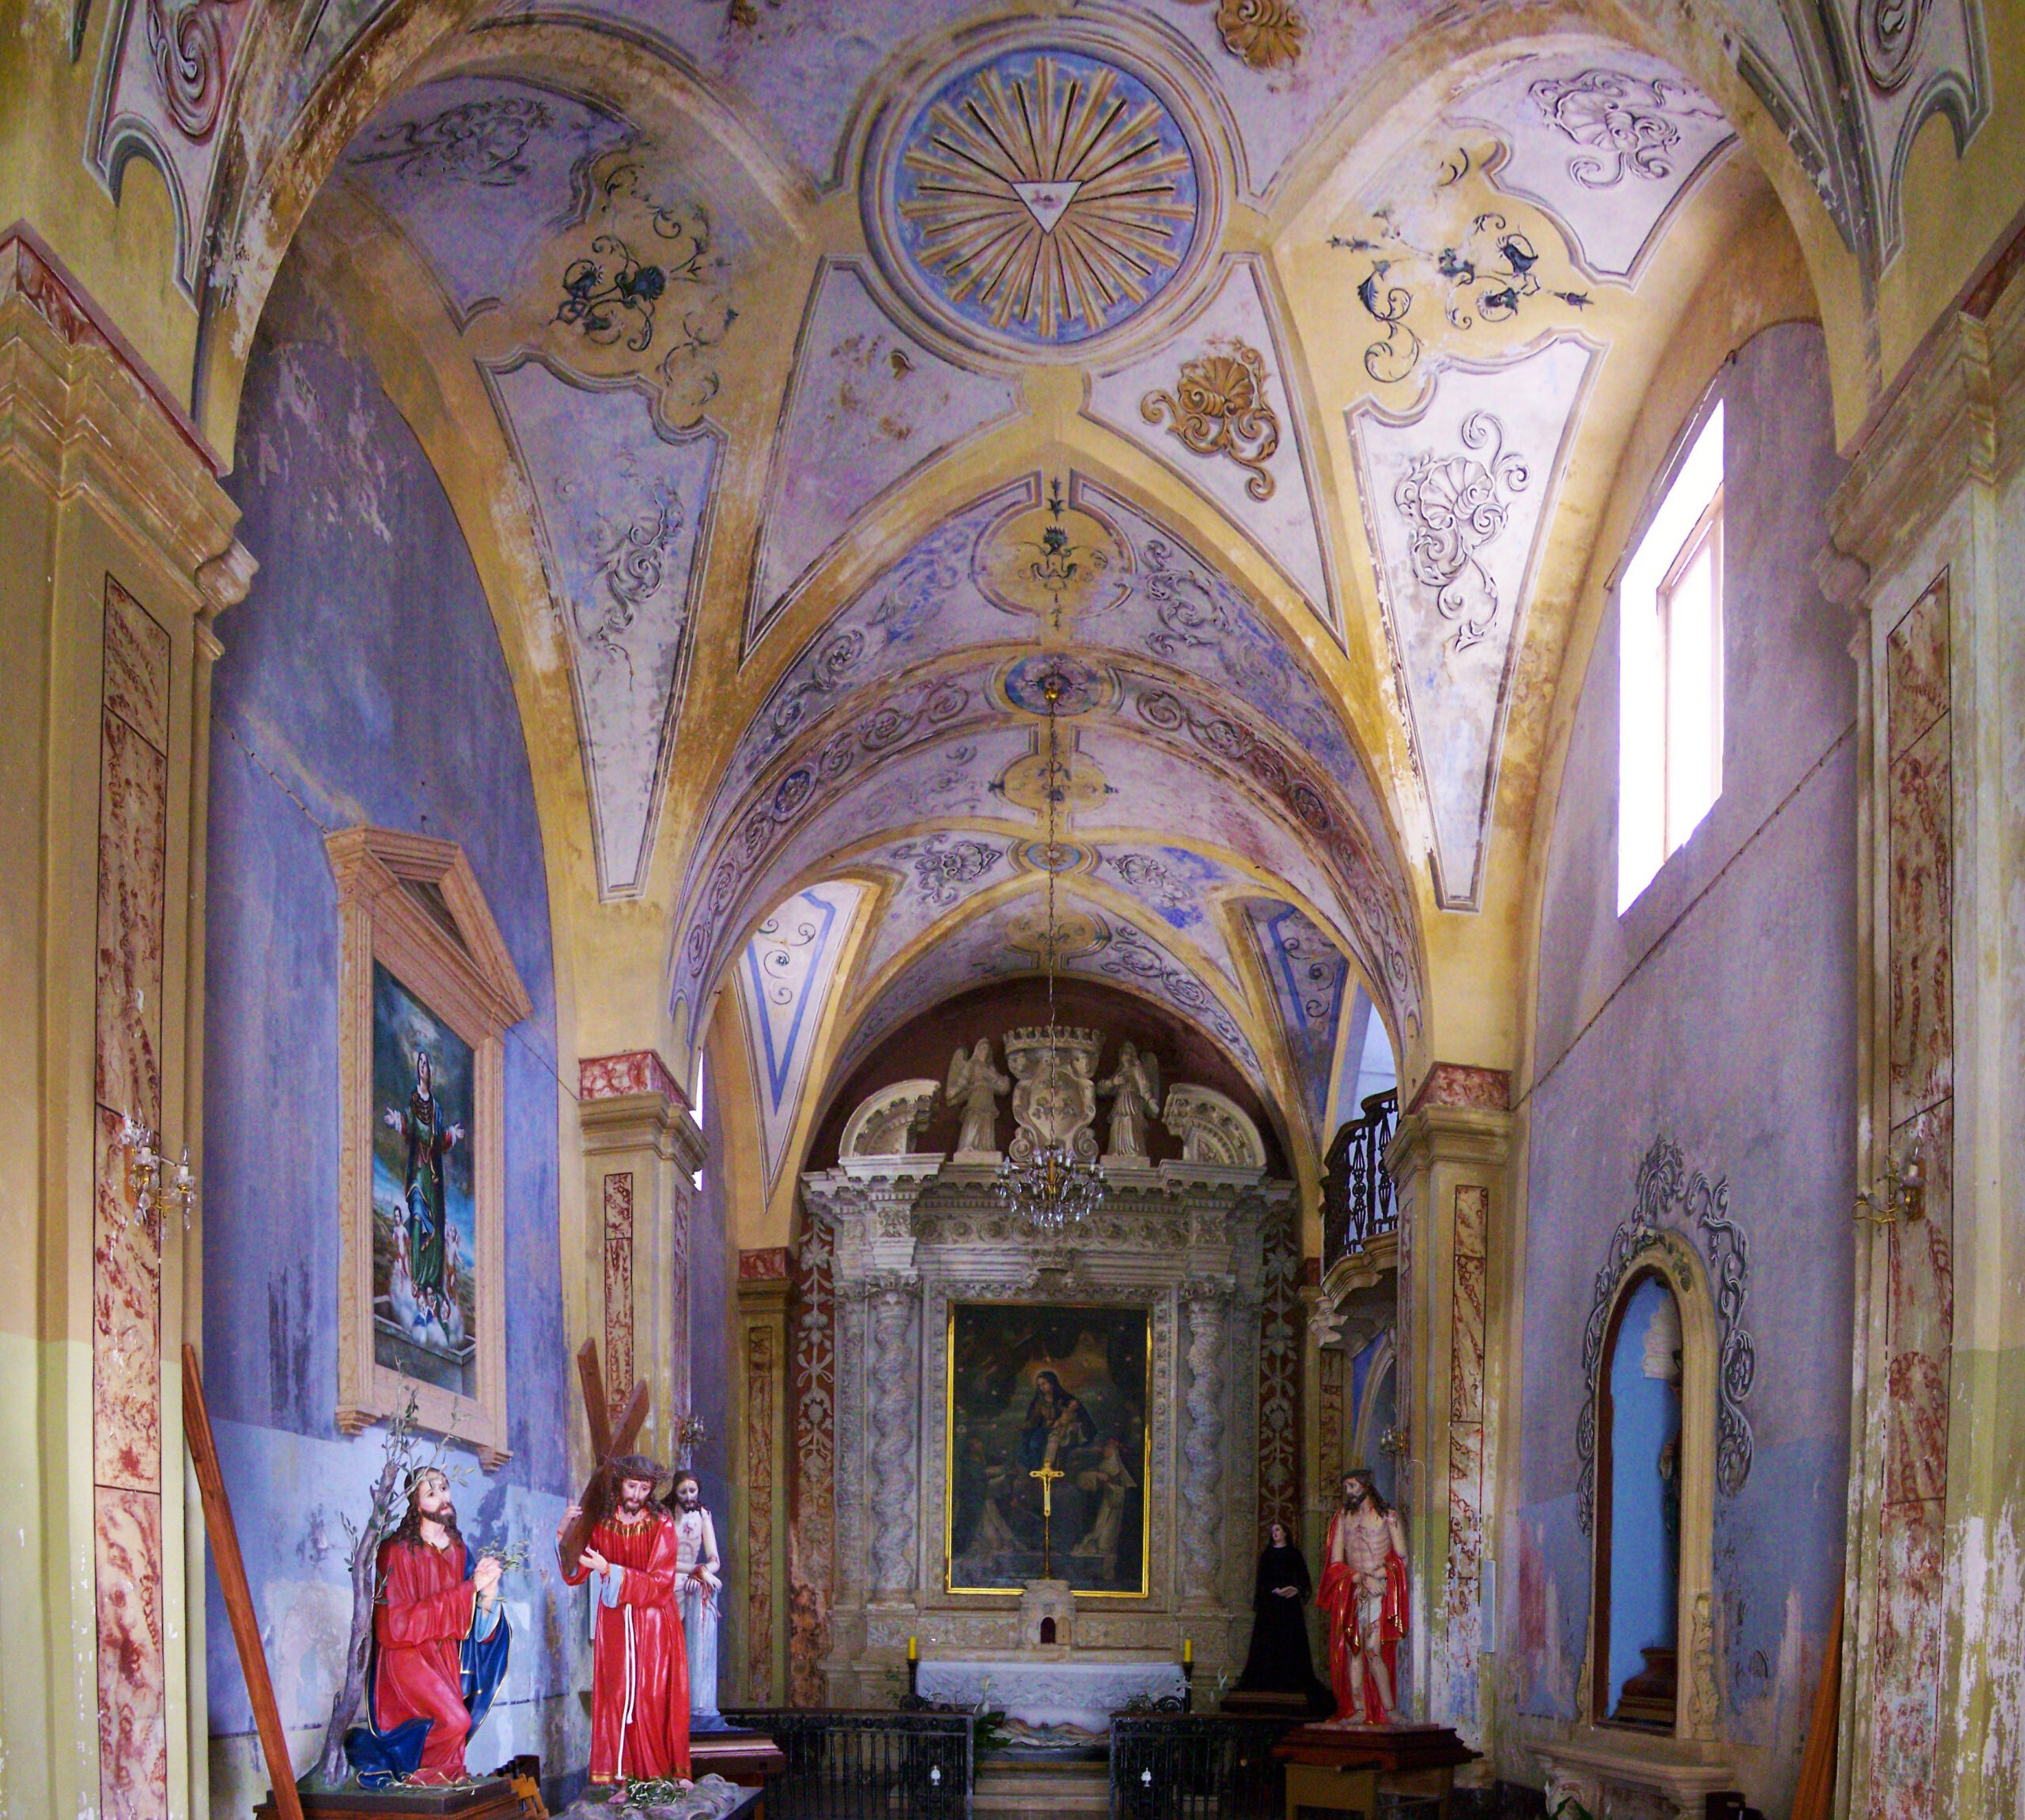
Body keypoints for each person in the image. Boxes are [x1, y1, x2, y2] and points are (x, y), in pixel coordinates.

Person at [345, 1466, 510, 1786]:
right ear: (416, 1505)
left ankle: (439, 1782)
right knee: (455, 1720)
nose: (443, 1498)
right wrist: (468, 1590)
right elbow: (394, 1626)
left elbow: (477, 1625)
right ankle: (416, 1778)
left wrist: (488, 1592)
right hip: (407, 1657)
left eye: (445, 1488)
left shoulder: (459, 1550)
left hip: (444, 1656)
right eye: (431, 1493)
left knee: (455, 1727)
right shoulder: (396, 1551)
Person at [559, 1455, 692, 1785]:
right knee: (618, 1694)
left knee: (648, 1696)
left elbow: (661, 1583)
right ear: (620, 1484)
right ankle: (624, 1777)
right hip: (616, 1622)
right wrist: (565, 1530)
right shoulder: (602, 1522)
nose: (636, 1494)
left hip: (653, 1623)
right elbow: (575, 1570)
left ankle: (656, 1777)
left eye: (644, 1488)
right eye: (631, 1486)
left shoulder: (660, 1524)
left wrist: (610, 1571)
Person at [1318, 1469, 1408, 1723]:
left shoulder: (1388, 1518)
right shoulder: (1342, 1518)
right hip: (1354, 1589)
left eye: (1353, 1486)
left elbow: (1402, 1557)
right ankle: (1359, 1710)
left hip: (1378, 1589)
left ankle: (1389, 1710)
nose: (1349, 1492)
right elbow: (1336, 1563)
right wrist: (1360, 1578)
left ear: (1367, 1486)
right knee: (1353, 1649)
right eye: (1346, 1487)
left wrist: (1379, 1575)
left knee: (1372, 1648)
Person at [383, 1049, 463, 1322]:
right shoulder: (414, 1100)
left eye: (426, 1064)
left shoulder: (436, 1107)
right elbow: (411, 1126)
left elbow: (438, 1139)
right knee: (417, 1217)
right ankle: (417, 1279)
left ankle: (432, 1282)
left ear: (431, 1071)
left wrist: (451, 1135)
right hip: (419, 1170)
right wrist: (398, 1122)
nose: (422, 1068)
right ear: (417, 1069)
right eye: (420, 1064)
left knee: (436, 1225)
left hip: (433, 1176)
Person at [1234, 1519, 1331, 1708]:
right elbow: (1262, 1580)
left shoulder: (1294, 1554)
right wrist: (1273, 1590)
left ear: (1285, 1533)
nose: (1274, 1533)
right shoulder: (1267, 1555)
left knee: (1290, 1641)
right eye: (1272, 1531)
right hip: (1271, 1606)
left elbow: (1304, 1579)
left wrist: (1295, 1589)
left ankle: (1290, 1680)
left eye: (1277, 1530)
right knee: (1268, 1640)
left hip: (1289, 1606)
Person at [667, 1471, 726, 1731]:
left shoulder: (703, 1516)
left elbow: (715, 1560)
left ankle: (698, 1705)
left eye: (693, 1491)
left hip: (691, 1579)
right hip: (668, 1580)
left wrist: (701, 1572)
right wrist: (692, 1569)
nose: (689, 1497)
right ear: (675, 1493)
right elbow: (661, 1559)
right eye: (683, 1492)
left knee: (704, 1597)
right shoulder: (666, 1515)